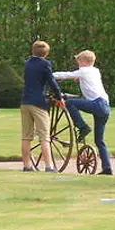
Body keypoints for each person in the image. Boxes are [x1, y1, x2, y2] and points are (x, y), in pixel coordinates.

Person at [52, 50, 114, 176]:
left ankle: (82, 126)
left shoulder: (84, 71)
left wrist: (48, 75)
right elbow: (83, 78)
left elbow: (65, 75)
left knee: (70, 103)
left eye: (79, 61)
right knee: (99, 140)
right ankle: (107, 168)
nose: (77, 63)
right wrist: (79, 77)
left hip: (97, 103)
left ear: (84, 61)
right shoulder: (95, 71)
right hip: (105, 107)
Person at [20, 41, 66, 171]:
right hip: (38, 103)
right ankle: (49, 166)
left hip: (25, 102)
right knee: (44, 136)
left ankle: (27, 165)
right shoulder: (45, 64)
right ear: (46, 54)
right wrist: (59, 97)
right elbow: (51, 81)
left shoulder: (27, 63)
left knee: (26, 136)